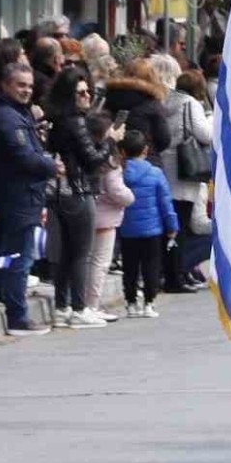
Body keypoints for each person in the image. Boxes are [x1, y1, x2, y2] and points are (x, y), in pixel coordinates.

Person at [0, 60, 56, 335]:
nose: (26, 91)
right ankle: (17, 316)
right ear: (5, 85)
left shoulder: (17, 114)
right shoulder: (7, 117)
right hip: (18, 195)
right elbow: (23, 156)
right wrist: (51, 166)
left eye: (29, 86)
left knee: (6, 252)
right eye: (20, 85)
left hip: (23, 194)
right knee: (19, 257)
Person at [43, 65, 111, 328]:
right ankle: (80, 308)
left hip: (60, 192)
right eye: (80, 93)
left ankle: (62, 306)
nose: (86, 97)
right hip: (78, 190)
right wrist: (108, 142)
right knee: (80, 251)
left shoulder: (57, 120)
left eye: (88, 92)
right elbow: (92, 160)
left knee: (65, 252)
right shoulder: (77, 122)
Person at [162, 67, 215, 293]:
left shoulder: (167, 102)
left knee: (174, 225)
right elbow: (205, 134)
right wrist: (212, 118)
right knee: (182, 228)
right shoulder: (191, 104)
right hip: (186, 170)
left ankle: (175, 273)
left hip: (169, 166)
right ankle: (178, 275)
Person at [117, 127, 178, 320]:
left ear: (123, 152)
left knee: (130, 268)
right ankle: (149, 303)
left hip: (127, 230)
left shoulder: (120, 173)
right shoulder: (156, 173)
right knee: (151, 266)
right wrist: (172, 227)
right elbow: (165, 203)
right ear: (145, 150)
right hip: (153, 229)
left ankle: (131, 303)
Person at [87, 112, 132, 324]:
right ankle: (92, 305)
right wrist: (130, 197)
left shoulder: (89, 156)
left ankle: (84, 303)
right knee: (100, 263)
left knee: (87, 261)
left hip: (89, 213)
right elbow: (117, 190)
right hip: (106, 218)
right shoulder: (111, 161)